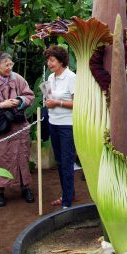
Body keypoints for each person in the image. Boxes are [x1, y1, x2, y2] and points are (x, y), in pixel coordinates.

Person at [0, 51, 35, 207]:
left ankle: (25, 188)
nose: (10, 67)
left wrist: (19, 100)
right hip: (1, 130)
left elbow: (30, 96)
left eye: (11, 64)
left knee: (22, 157)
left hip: (19, 127)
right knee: (1, 159)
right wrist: (1, 105)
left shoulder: (17, 78)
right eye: (6, 64)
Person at [44, 45, 76, 209]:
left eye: (52, 60)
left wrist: (58, 103)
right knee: (59, 161)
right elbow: (49, 96)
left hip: (67, 126)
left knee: (66, 161)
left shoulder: (71, 77)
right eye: (48, 60)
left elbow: (78, 103)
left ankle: (67, 202)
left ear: (61, 61)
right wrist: (48, 103)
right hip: (53, 123)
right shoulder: (50, 78)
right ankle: (68, 194)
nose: (49, 63)